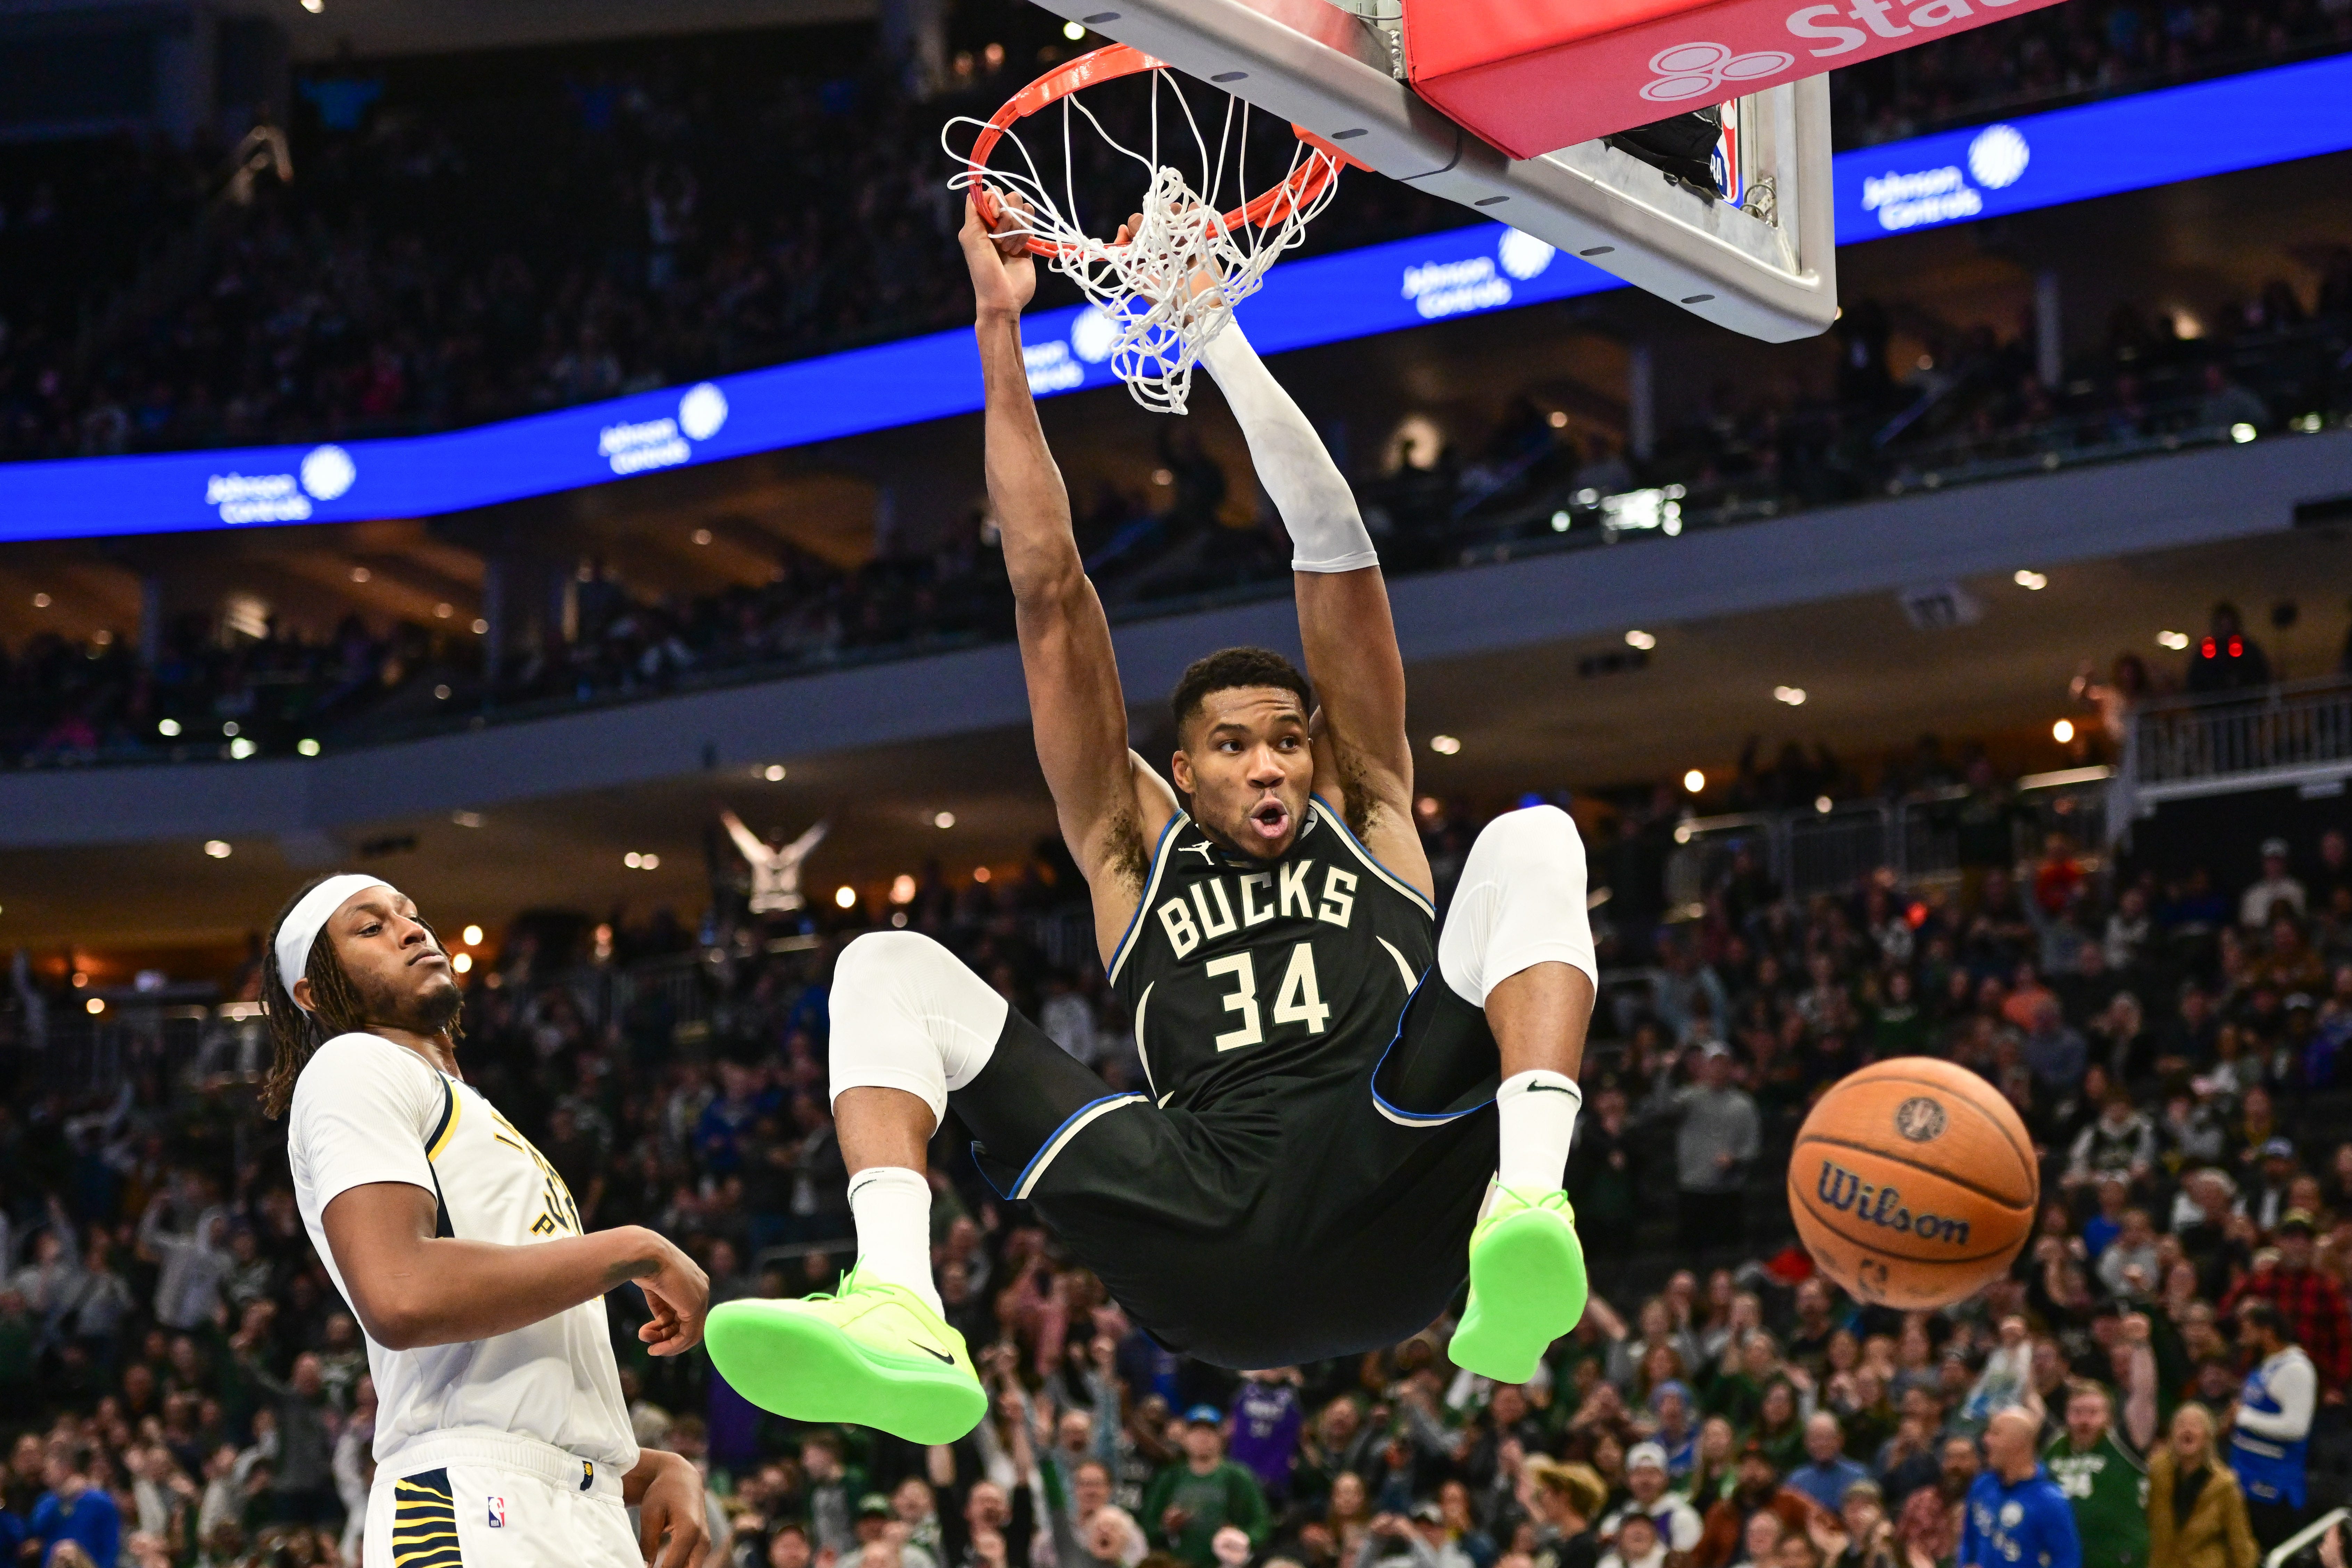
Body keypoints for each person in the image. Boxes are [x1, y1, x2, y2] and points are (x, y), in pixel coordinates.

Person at [705, 196, 1602, 1439]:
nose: (1270, 762)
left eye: (1290, 737)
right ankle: (899, 1302)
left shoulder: (1372, 805)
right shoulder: (1130, 845)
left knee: (1532, 838)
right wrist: (995, 327)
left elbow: (1332, 543)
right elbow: (1044, 584)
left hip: (1398, 1182)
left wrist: (1218, 338)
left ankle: (1528, 1204)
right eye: (1233, 744)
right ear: (1181, 772)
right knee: (882, 967)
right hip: (1205, 1227)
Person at [261, 873, 713, 1568]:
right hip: (470, 1502)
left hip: (567, 1507)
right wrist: (635, 1248)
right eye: (371, 927)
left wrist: (649, 1471)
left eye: (412, 914)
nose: (412, 929)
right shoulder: (352, 1065)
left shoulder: (470, 1110)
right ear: (314, 993)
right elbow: (401, 1292)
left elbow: (514, 1393)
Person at [2224, 1299, 2313, 1550]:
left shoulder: (2295, 1369)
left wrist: (2243, 1417)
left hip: (2272, 1486)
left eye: (2248, 1328)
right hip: (2245, 1476)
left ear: (2267, 1330)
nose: (2242, 1335)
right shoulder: (2265, 1365)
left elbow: (2296, 1427)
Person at [1140, 1409, 1270, 1568]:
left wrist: (1241, 1539)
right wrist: (1167, 1528)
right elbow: (1148, 1524)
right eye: (1196, 1432)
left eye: (1210, 1432)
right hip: (1176, 1563)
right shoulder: (1170, 1477)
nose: (1203, 1438)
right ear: (1185, 1438)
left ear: (1221, 1437)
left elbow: (1261, 1525)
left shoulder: (1238, 1477)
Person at [2041, 1381, 2148, 1568]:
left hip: (2117, 1559)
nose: (2084, 1421)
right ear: (2066, 1415)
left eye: (2093, 1413)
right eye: (2077, 1413)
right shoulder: (2053, 1447)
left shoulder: (2124, 1445)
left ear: (2109, 1417)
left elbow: (2144, 1398)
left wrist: (2142, 1350)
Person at [1959, 1411, 2079, 1568]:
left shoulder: (2051, 1501)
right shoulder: (1983, 1485)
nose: (1986, 1440)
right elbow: (1969, 1541)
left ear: (2019, 1443)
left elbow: (2066, 1561)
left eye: (1995, 1433)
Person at [1672, 1047, 1760, 1255]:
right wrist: (1669, 1072)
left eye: (1723, 1064)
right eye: (1713, 1064)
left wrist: (1735, 1159)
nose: (1718, 1069)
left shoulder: (1744, 1105)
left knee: (1727, 1251)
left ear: (1731, 1068)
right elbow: (1662, 1107)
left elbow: (1752, 1147)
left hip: (1728, 1190)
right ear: (1705, 1067)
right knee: (1692, 1252)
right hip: (1693, 1188)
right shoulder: (1689, 1098)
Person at [2146, 1404, 2258, 1568]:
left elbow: (2240, 1543)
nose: (2187, 1430)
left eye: (2195, 1425)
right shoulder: (2156, 1472)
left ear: (2208, 1436)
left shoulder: (2225, 1485)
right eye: (2181, 1425)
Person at [1787, 1416, 1870, 1516]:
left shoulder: (1858, 1476)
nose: (1822, 1444)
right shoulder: (1797, 1480)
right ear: (1806, 1442)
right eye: (1816, 1439)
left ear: (1840, 1439)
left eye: (1827, 1438)